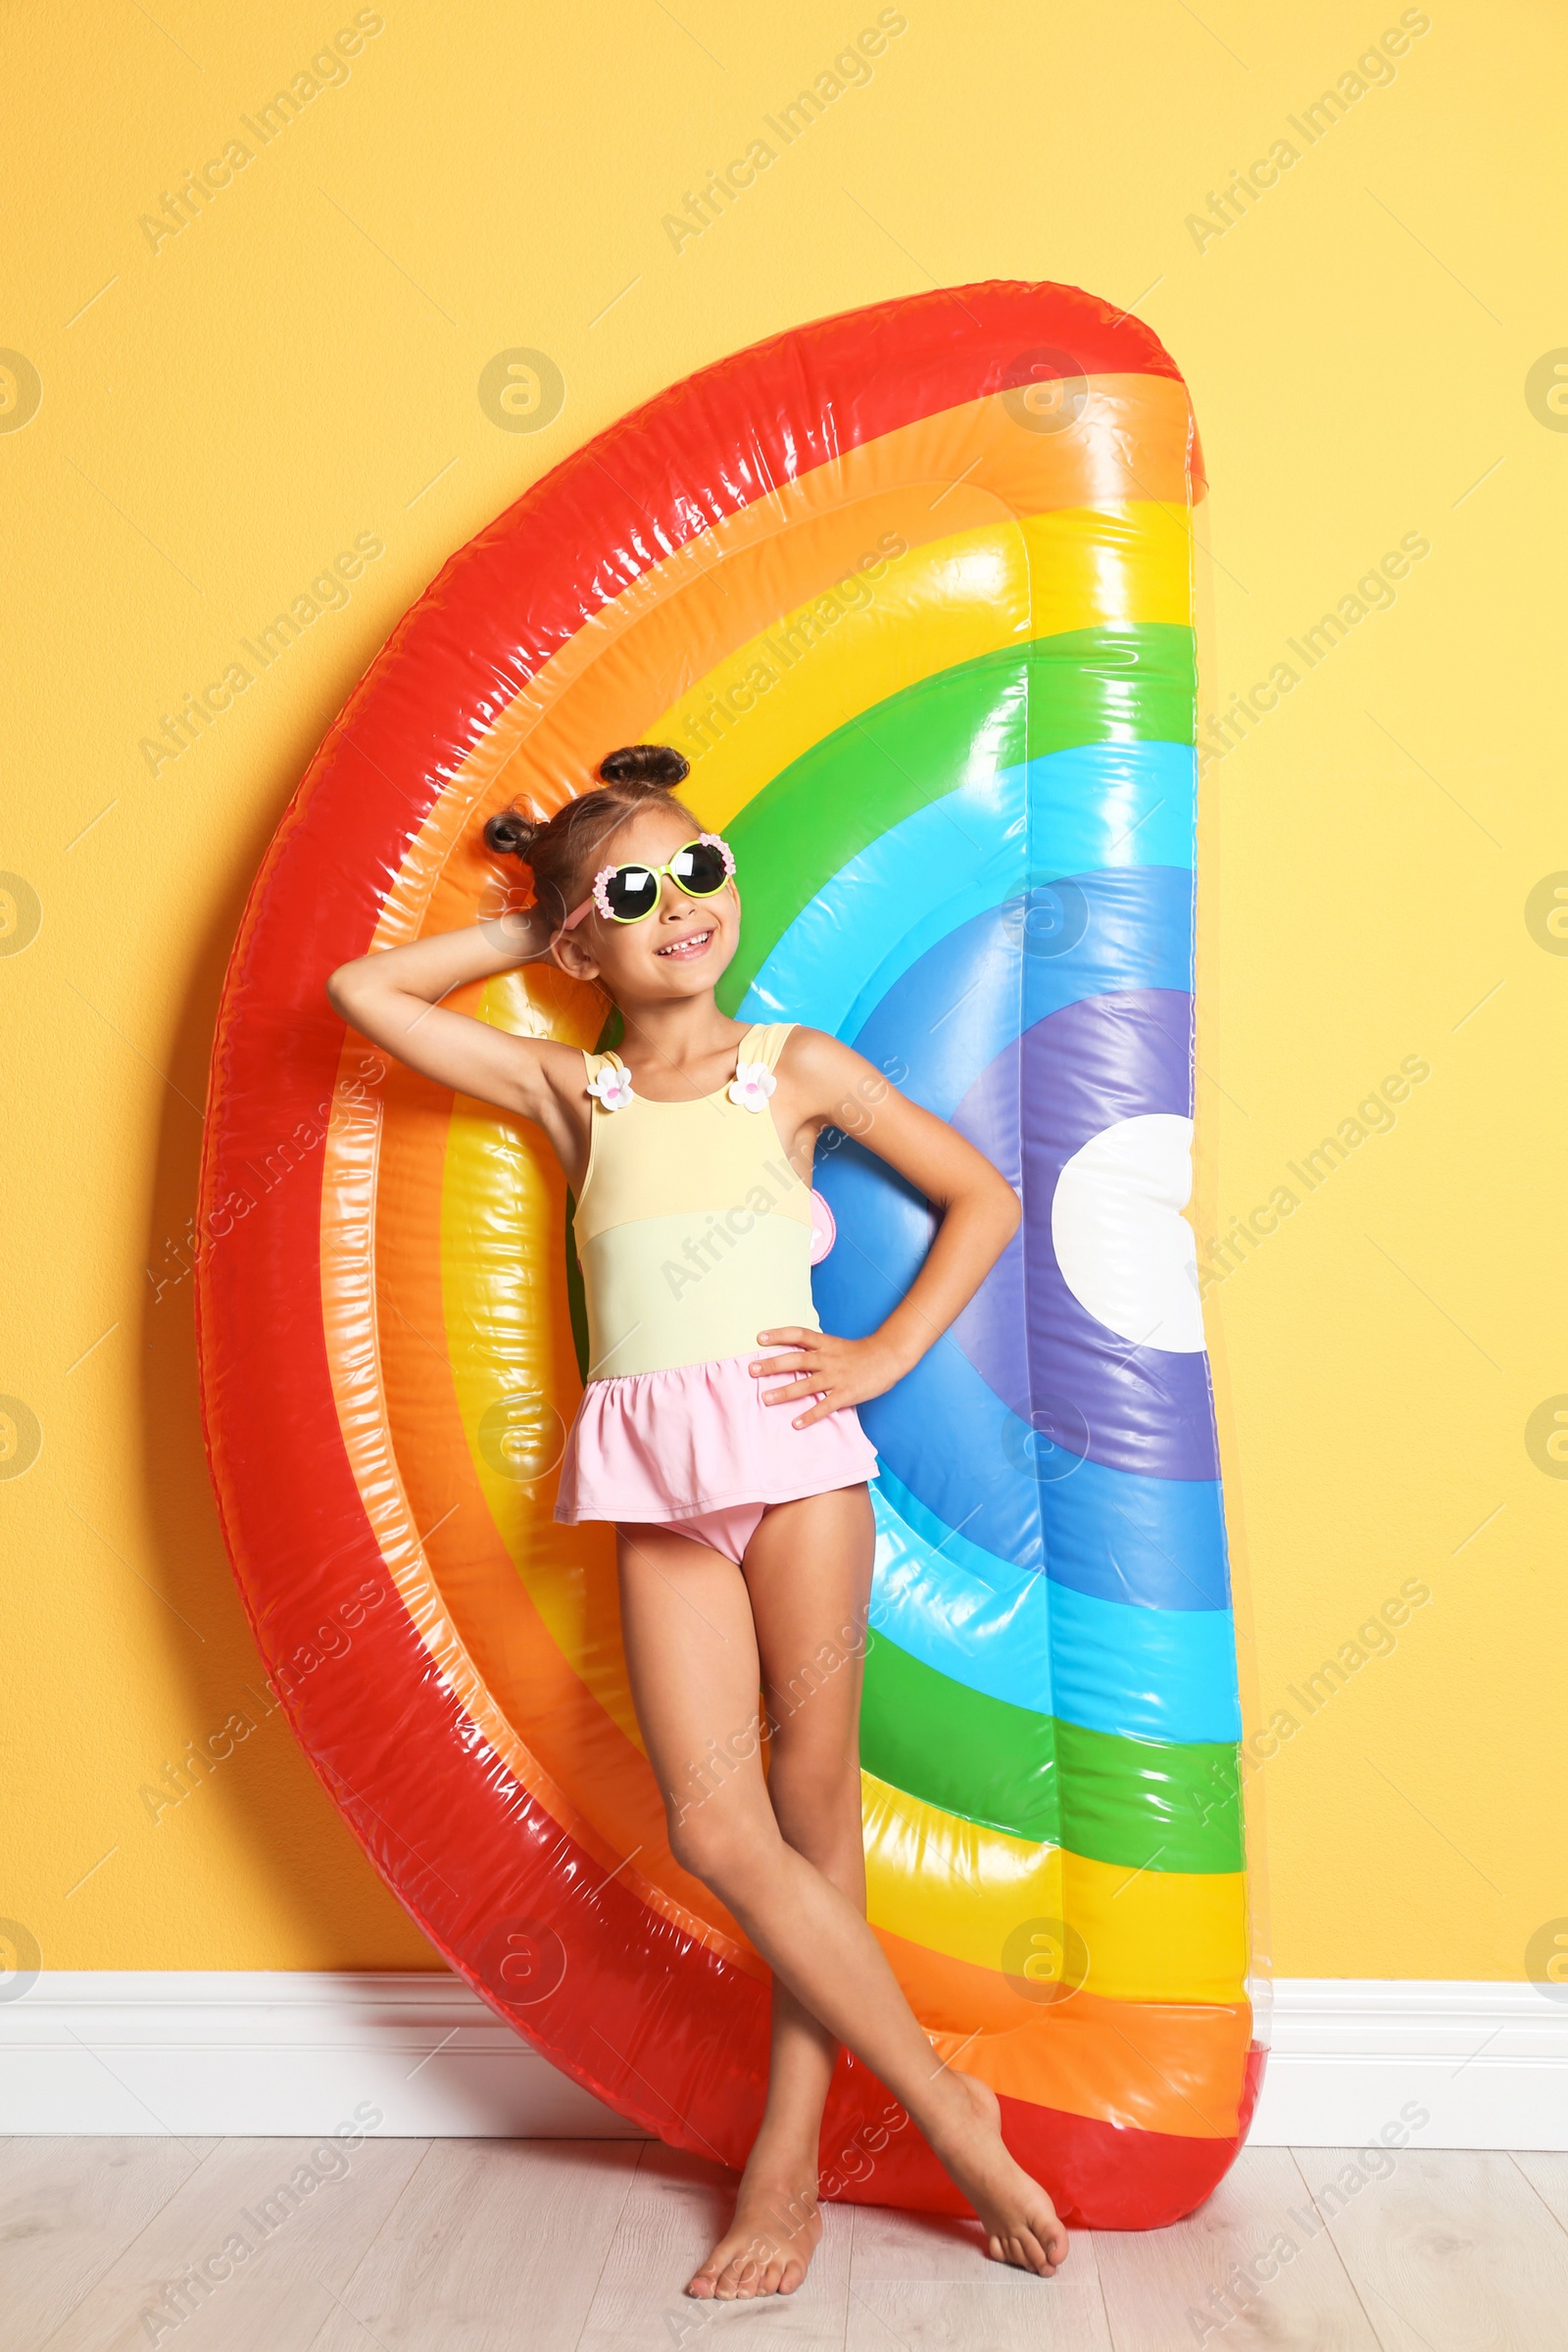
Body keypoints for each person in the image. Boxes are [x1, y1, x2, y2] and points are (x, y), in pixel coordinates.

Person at [326, 742, 1068, 2298]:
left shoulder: (787, 1069)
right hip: (656, 1485)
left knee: (811, 1820)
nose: (685, 906)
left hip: (796, 1463)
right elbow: (365, 996)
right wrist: (541, 923)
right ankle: (947, 2106)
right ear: (585, 941)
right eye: (637, 893)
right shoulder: (569, 1088)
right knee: (716, 1829)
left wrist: (879, 1353)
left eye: (701, 869)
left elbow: (983, 1197)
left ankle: (785, 2173)